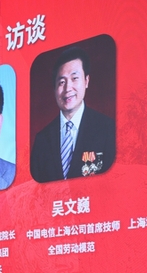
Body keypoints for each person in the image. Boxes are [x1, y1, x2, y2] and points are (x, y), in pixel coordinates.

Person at [31, 46, 116, 182]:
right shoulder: (42, 139)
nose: (67, 88)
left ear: (86, 81)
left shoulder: (108, 129)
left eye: (74, 78)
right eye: (62, 82)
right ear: (54, 88)